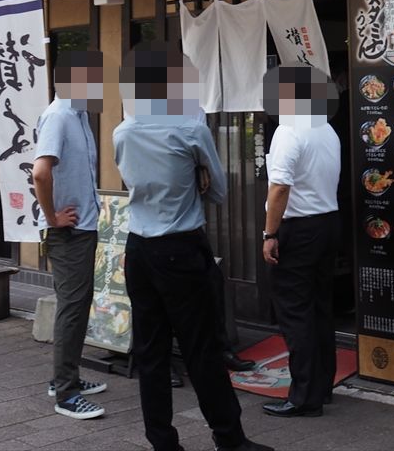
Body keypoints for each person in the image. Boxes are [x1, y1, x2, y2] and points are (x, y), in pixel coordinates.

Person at [115, 42, 272, 451]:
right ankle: (230, 439)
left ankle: (163, 442)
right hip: (181, 248)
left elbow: (135, 184)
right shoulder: (189, 128)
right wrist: (197, 174)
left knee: (151, 352)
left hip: (139, 249)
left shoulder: (123, 132)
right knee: (202, 349)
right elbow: (218, 191)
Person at [260, 65, 341, 418]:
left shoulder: (289, 130)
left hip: (299, 228)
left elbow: (280, 187)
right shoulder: (325, 128)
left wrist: (270, 234)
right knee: (320, 307)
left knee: (295, 312)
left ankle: (305, 397)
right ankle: (322, 387)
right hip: (328, 222)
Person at [33, 50, 108, 419]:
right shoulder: (60, 116)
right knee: (72, 309)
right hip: (70, 233)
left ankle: (67, 378)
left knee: (76, 306)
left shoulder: (78, 115)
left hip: (82, 228)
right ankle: (66, 394)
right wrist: (52, 217)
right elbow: (40, 172)